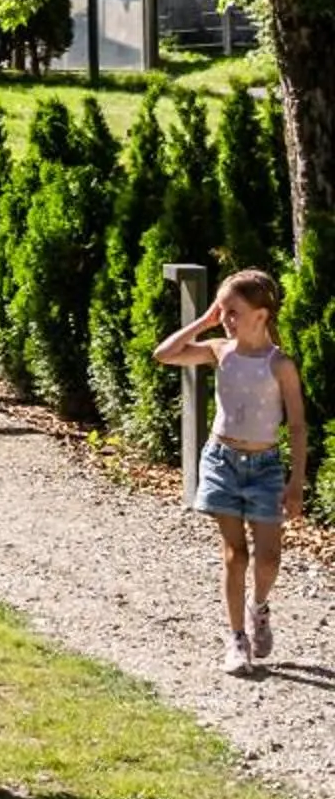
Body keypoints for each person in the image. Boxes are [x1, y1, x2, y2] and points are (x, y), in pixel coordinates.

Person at [155, 266, 308, 674]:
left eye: (233, 311)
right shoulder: (220, 349)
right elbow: (164, 354)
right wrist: (204, 322)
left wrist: (296, 481)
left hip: (266, 468)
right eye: (223, 311)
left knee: (269, 558)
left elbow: (296, 424)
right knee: (234, 554)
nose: (226, 318)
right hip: (222, 461)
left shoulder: (280, 365)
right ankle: (236, 638)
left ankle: (260, 607)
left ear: (261, 315)